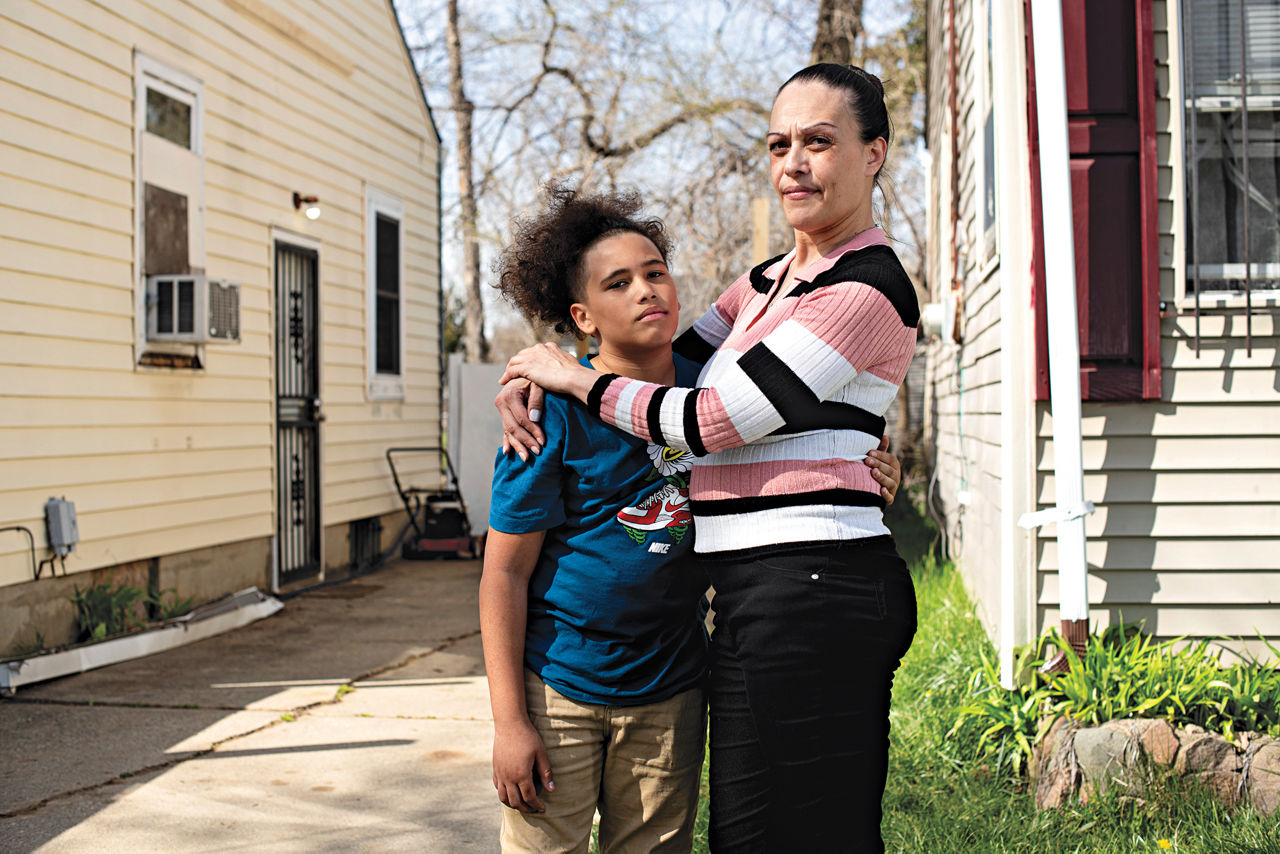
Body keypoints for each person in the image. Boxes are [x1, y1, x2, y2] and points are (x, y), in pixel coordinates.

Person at [498, 64, 919, 852]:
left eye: (820, 142)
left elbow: (710, 417)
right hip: (754, 596)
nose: (794, 162)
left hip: (817, 590)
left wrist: (570, 376)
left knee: (818, 833)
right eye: (779, 144)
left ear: (874, 154)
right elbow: (658, 366)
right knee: (746, 839)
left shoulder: (865, 287)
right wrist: (536, 378)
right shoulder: (763, 284)